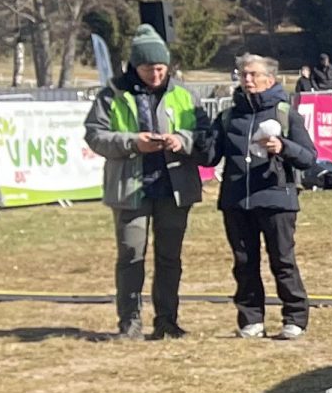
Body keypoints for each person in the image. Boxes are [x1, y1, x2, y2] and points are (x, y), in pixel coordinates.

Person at [84, 27, 205, 341]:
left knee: (170, 257)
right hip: (130, 189)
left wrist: (181, 140)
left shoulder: (184, 94)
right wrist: (133, 143)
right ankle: (130, 321)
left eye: (161, 68)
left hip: (174, 188)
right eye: (149, 68)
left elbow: (205, 134)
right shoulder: (111, 95)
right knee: (131, 256)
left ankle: (167, 320)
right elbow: (95, 135)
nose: (156, 74)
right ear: (134, 66)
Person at [201, 53, 316, 340]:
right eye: (243, 74)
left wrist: (284, 147)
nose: (247, 79)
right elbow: (209, 157)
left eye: (253, 74)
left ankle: (295, 318)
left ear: (270, 79)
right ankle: (251, 320)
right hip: (236, 201)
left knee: (283, 261)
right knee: (244, 263)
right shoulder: (228, 117)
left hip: (277, 199)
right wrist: (198, 135)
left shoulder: (285, 114)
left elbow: (309, 158)